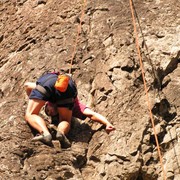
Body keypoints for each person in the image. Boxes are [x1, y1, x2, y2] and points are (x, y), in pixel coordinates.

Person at [24, 74, 115, 148]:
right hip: (67, 89)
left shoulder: (48, 94)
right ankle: (61, 133)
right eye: (50, 113)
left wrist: (32, 98)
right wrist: (107, 123)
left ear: (47, 103)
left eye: (47, 109)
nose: (50, 112)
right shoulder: (74, 106)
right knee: (65, 121)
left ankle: (45, 133)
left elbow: (27, 85)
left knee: (30, 114)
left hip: (50, 82)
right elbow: (91, 114)